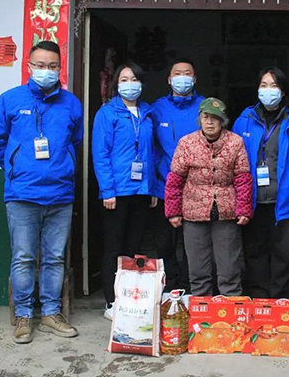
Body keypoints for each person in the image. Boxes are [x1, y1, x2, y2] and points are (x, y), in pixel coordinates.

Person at [0, 41, 82, 344]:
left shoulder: (71, 103)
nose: (46, 71)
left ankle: (51, 313)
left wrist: (63, 167)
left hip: (60, 194)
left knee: (54, 258)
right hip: (22, 194)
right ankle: (24, 315)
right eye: (40, 65)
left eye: (52, 66)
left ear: (59, 69)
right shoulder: (9, 100)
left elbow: (75, 142)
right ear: (28, 66)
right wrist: (17, 167)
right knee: (24, 257)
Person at [232, 67, 289, 298]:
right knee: (254, 252)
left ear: (283, 91)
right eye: (264, 85)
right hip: (253, 201)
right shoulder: (244, 120)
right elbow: (234, 161)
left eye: (274, 86)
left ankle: (279, 301)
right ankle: (259, 299)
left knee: (284, 254)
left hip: (285, 200)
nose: (268, 91)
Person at [164, 98, 253, 296]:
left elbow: (242, 178)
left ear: (223, 121)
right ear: (200, 120)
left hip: (226, 213)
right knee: (198, 270)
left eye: (215, 118)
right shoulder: (187, 143)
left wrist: (244, 209)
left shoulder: (235, 142)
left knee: (229, 268)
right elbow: (175, 179)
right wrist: (173, 212)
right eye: (206, 117)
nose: (210, 122)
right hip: (193, 212)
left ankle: (230, 308)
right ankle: (201, 309)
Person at [92, 61, 157, 320]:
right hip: (116, 192)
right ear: (116, 84)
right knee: (114, 247)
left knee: (134, 246)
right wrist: (107, 190)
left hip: (141, 191)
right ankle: (112, 301)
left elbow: (152, 153)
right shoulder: (107, 113)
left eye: (134, 79)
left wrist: (152, 187)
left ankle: (130, 299)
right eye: (124, 80)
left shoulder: (148, 113)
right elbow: (100, 153)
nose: (130, 85)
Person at [151, 58, 204, 291]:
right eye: (177, 74)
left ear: (195, 79)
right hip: (164, 185)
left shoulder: (204, 107)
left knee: (194, 243)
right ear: (169, 79)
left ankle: (188, 287)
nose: (182, 78)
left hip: (196, 188)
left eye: (187, 73)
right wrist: (154, 182)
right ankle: (170, 286)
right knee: (164, 242)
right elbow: (150, 146)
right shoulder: (157, 109)